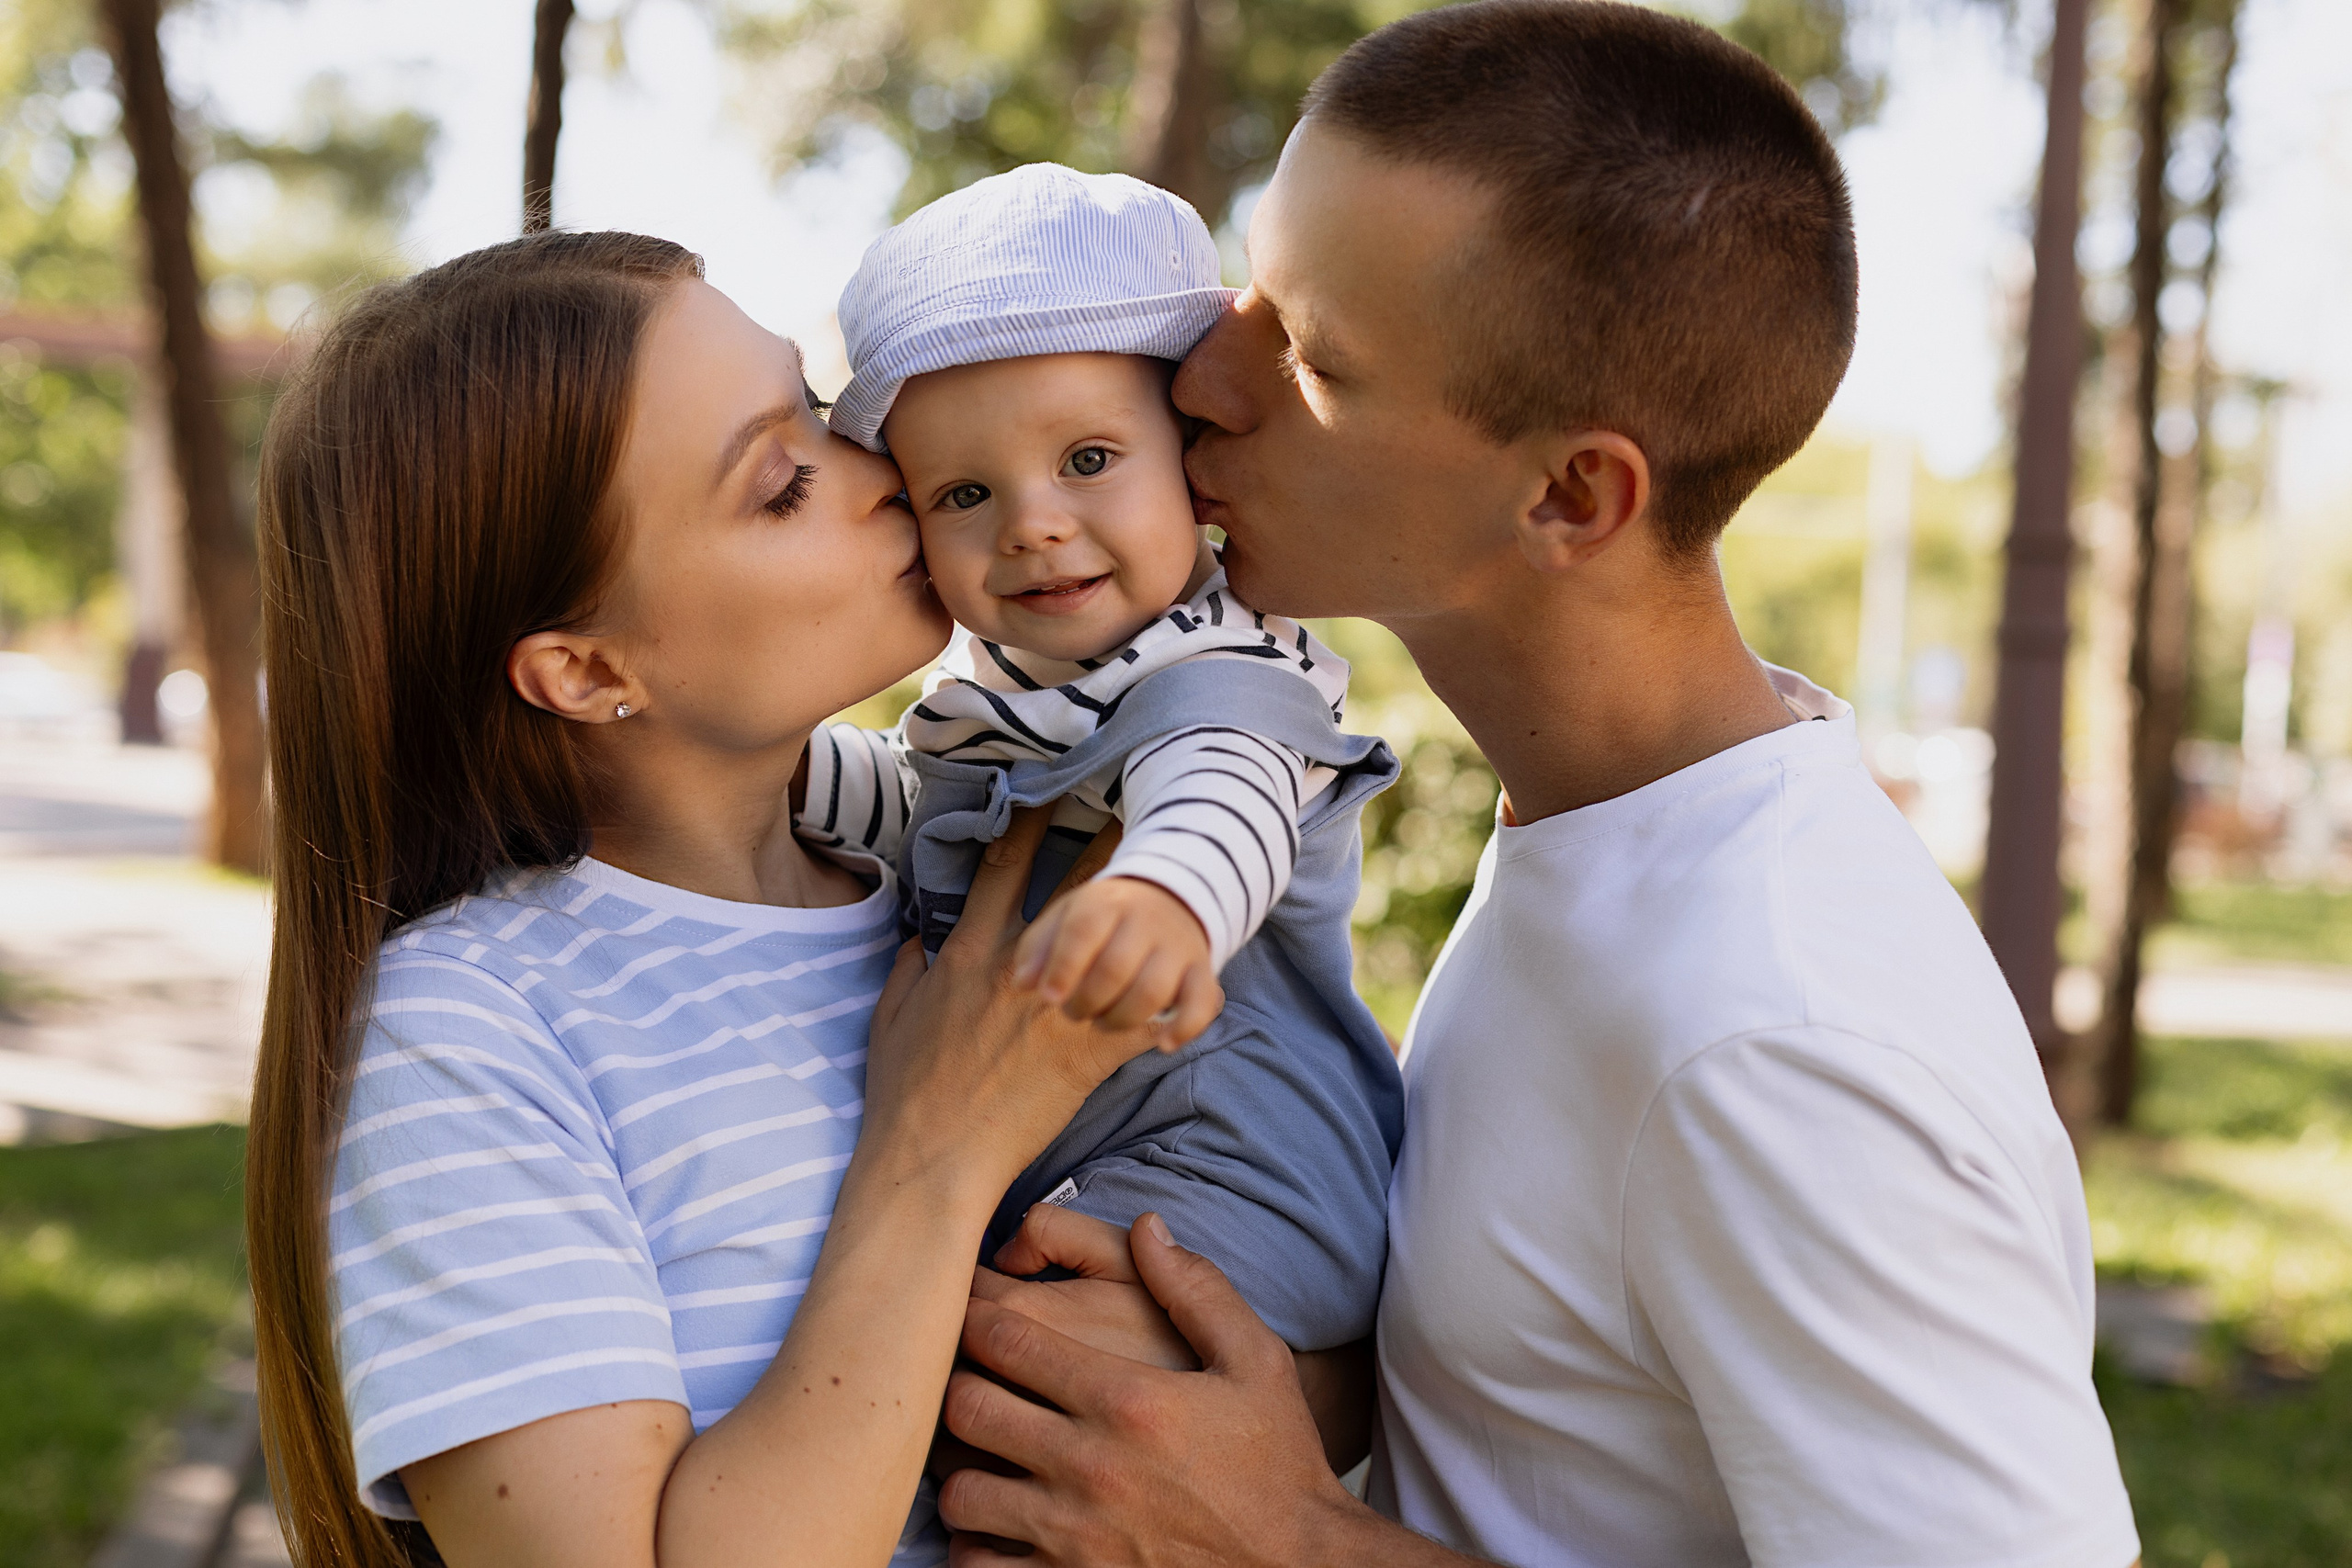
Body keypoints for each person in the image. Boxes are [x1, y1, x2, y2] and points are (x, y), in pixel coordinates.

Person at [930, 6, 2146, 1567]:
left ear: (1572, 495)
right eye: (1248, 288)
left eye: (1310, 356)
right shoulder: (1605, 829)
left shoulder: (1780, 1037)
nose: (1201, 376)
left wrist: (1289, 1545)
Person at [243, 231, 1240, 1568]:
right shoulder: (470, 1032)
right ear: (586, 669)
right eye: (781, 484)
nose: (884, 477)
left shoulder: (964, 867)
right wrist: (936, 1152)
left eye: (822, 417)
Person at [797, 163, 1402, 1353]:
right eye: (965, 492)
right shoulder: (1007, 693)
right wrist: (769, 772)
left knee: (990, 1378)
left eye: (1087, 461)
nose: (1031, 523)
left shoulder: (1224, 676)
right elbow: (918, 809)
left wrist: (1161, 893)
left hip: (1234, 1180)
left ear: (1192, 460)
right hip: (1099, 1169)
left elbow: (1220, 801)